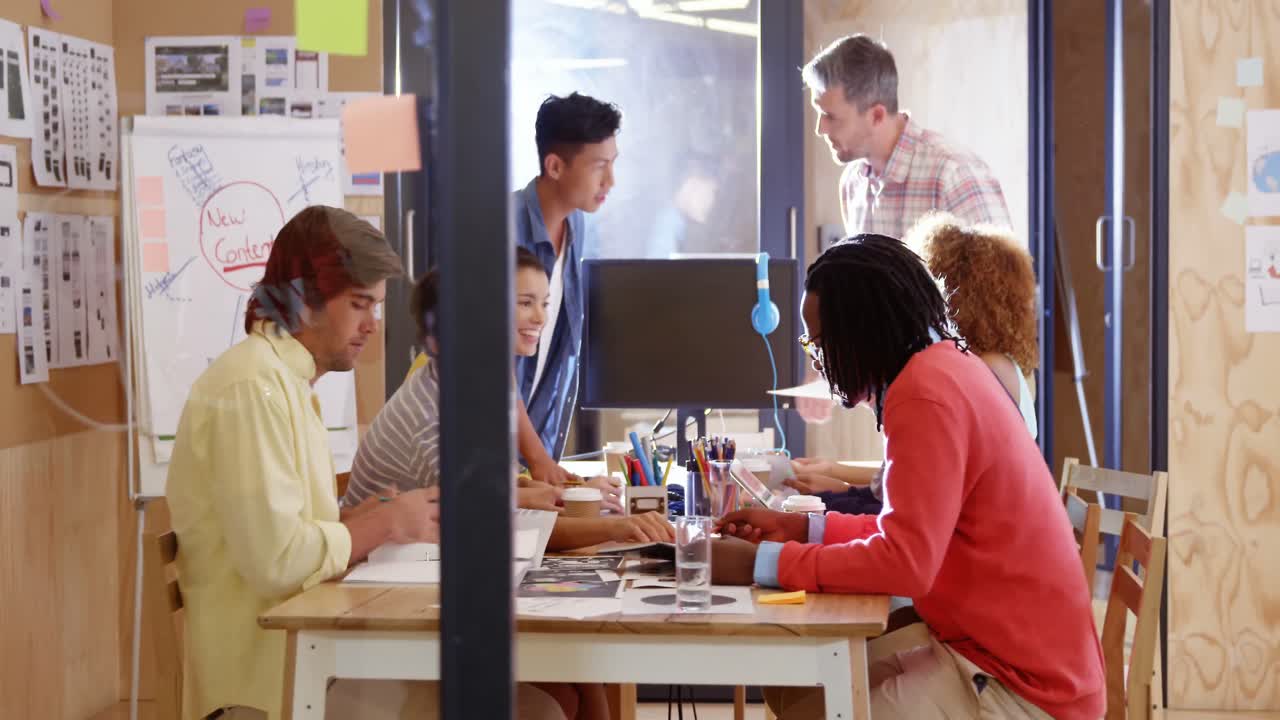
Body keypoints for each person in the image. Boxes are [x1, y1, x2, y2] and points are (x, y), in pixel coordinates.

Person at [713, 235, 1104, 720]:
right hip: (1002, 653)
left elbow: (906, 564)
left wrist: (763, 563)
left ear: (861, 332)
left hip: (1021, 684)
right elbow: (912, 535)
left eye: (819, 341)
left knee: (812, 703)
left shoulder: (924, 395)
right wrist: (803, 530)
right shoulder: (939, 368)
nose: (815, 357)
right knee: (796, 696)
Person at [166, 207, 449, 720]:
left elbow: (284, 539)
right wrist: (382, 521)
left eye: (378, 306)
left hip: (306, 656)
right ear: (304, 301)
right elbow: (279, 565)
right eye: (360, 304)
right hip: (267, 685)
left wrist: (363, 521)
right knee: (523, 704)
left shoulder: (284, 382)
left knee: (539, 695)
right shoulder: (253, 388)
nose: (373, 325)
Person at [796, 33, 1012, 424]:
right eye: (818, 112)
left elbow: (1003, 306)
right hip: (898, 397)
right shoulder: (854, 185)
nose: (820, 128)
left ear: (877, 114)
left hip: (965, 400)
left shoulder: (954, 174)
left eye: (831, 116)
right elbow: (862, 302)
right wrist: (825, 362)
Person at [787, 213, 1039, 512]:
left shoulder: (938, 381)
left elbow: (910, 532)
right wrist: (833, 474)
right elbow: (908, 483)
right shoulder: (953, 365)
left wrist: (823, 507)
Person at [514, 92, 621, 465]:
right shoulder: (502, 231)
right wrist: (541, 464)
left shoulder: (576, 224)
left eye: (613, 163)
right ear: (555, 166)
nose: (611, 180)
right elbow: (492, 367)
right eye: (599, 166)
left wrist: (545, 462)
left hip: (533, 456)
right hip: (490, 456)